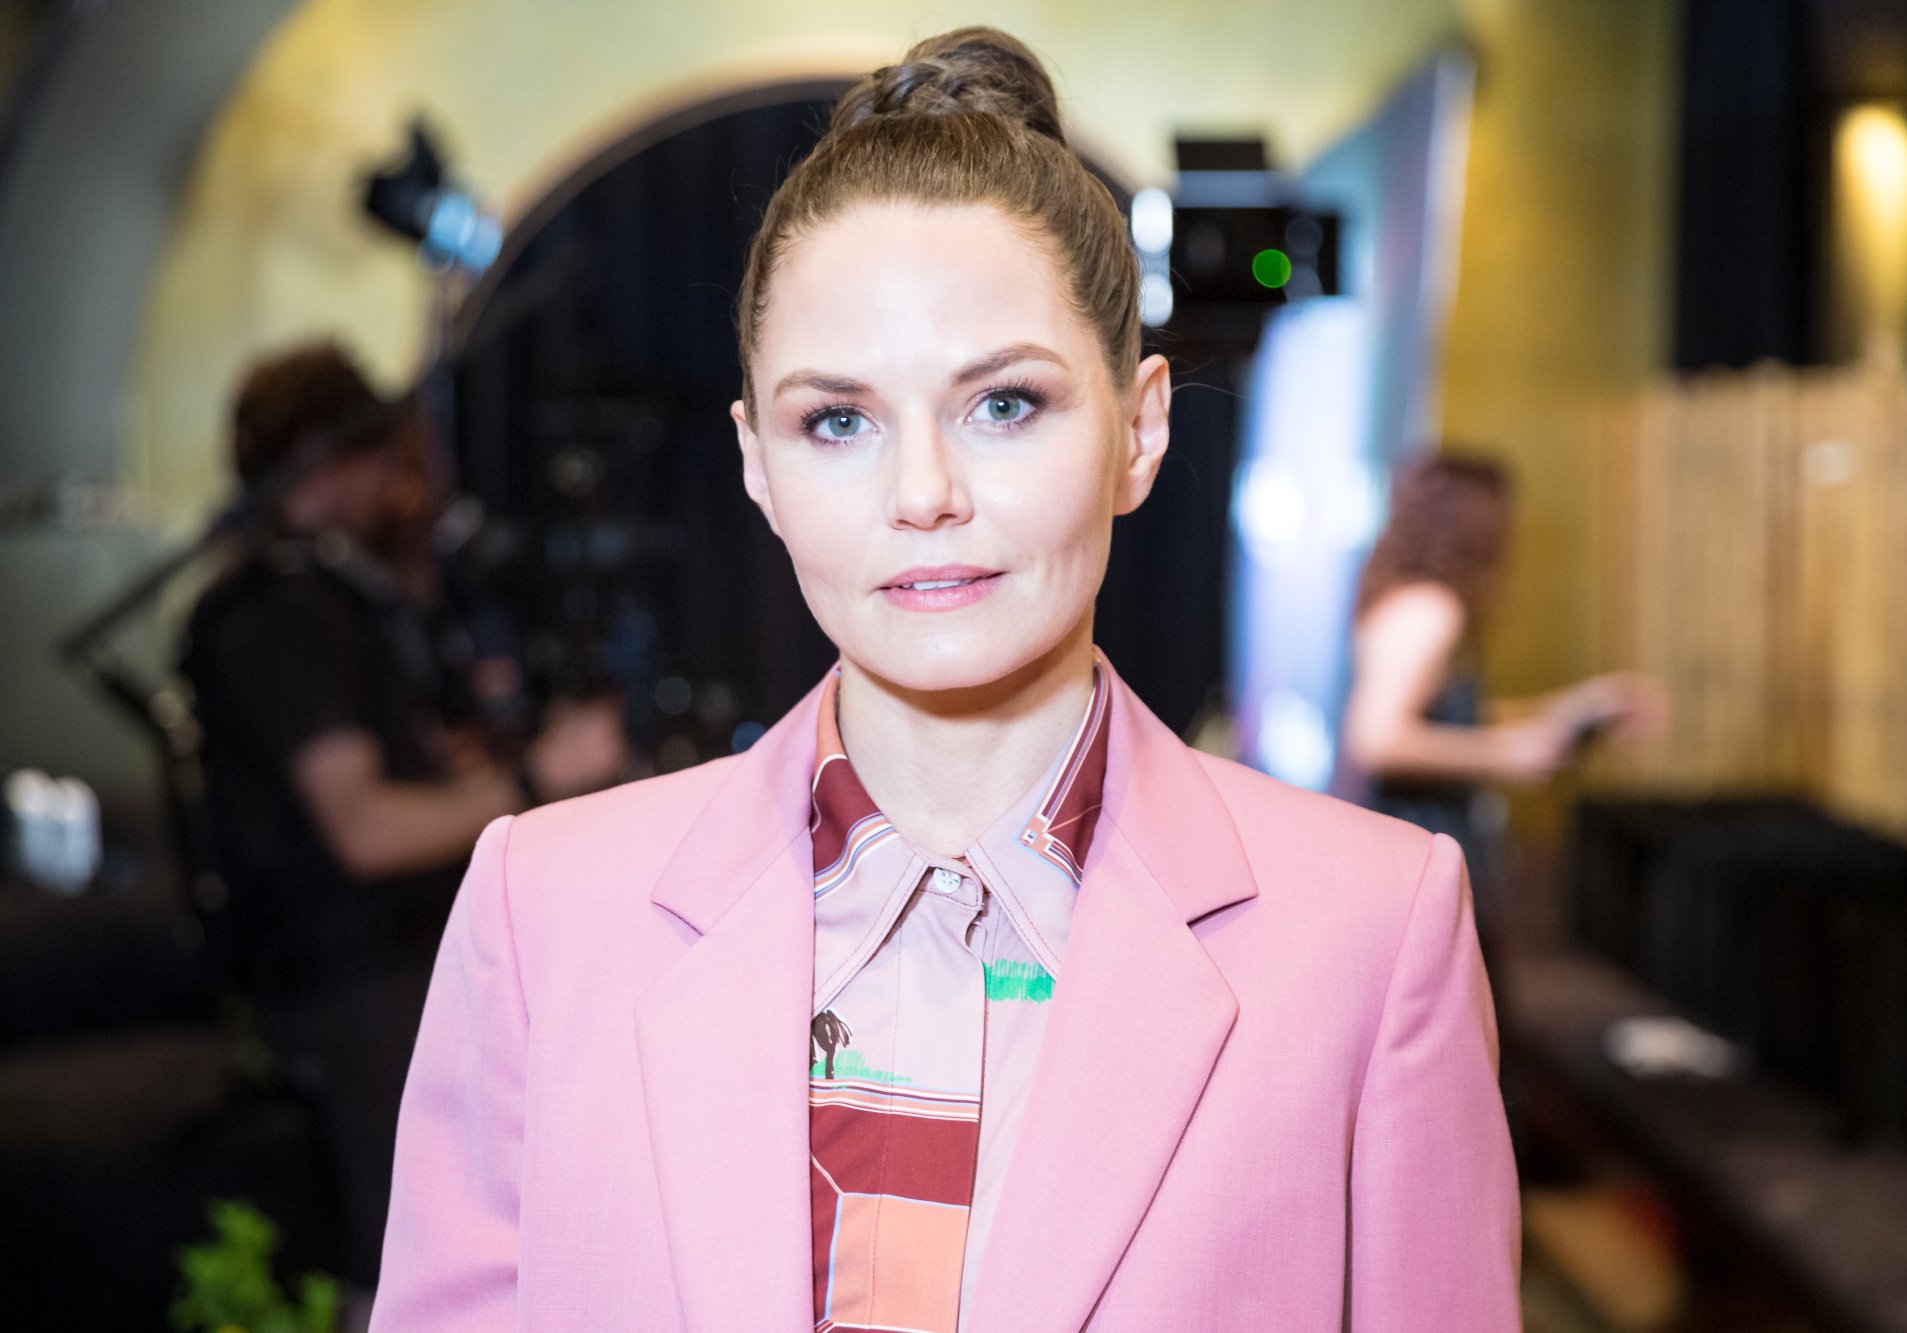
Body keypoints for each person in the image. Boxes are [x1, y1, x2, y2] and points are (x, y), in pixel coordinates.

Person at [373, 29, 1520, 1332]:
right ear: (757, 466)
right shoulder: (545, 913)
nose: (922, 494)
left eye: (1004, 404)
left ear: (1139, 427)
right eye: (837, 420)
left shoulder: (1369, 935)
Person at [181, 343, 626, 1305]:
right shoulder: (279, 614)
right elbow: (364, 828)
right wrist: (539, 776)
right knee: (415, 1262)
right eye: (380, 458)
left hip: (391, 961)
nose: (397, 482)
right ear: (322, 459)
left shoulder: (329, 601)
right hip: (355, 979)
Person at [1342, 453, 1662, 926]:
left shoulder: (1413, 601)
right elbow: (1376, 739)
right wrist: (1503, 756)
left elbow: (1452, 718)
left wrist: (1578, 706)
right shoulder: (1430, 611)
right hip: (1416, 842)